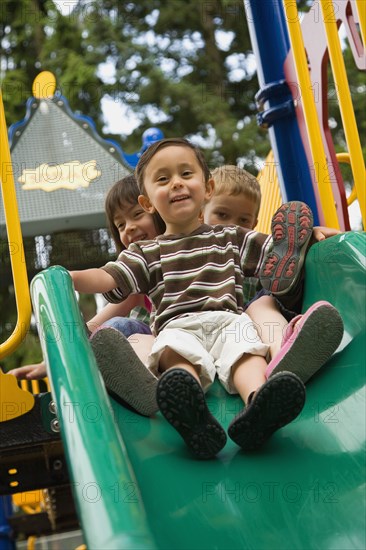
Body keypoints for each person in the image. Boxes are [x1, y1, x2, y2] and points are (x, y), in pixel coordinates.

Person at [68, 138, 343, 459]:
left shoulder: (230, 236)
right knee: (177, 362)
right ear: (148, 203)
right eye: (163, 179)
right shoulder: (145, 253)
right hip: (178, 327)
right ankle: (191, 417)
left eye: (186, 174)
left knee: (246, 356)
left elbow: (275, 253)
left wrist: (304, 240)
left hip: (229, 319)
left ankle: (260, 405)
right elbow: (107, 277)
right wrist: (68, 276)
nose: (176, 183)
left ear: (207, 188)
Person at [8, 175, 160, 416]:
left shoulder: (190, 255)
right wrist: (54, 361)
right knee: (111, 329)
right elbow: (95, 325)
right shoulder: (138, 275)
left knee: (117, 327)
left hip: (186, 341)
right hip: (151, 347)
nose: (128, 227)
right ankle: (134, 387)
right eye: (120, 225)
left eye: (137, 214)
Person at [203, 165, 343, 383]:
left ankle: (286, 353)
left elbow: (278, 252)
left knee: (264, 302)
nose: (233, 227)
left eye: (243, 221)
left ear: (254, 224)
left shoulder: (254, 248)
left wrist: (306, 242)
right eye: (222, 215)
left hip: (250, 327)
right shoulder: (188, 252)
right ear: (201, 213)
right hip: (202, 332)